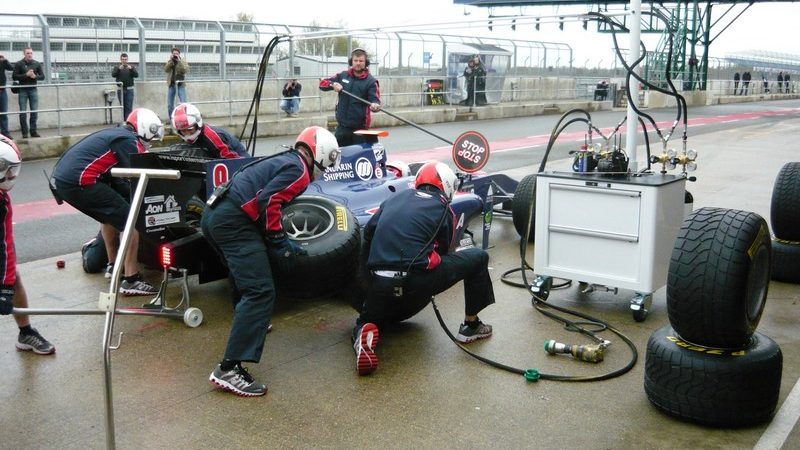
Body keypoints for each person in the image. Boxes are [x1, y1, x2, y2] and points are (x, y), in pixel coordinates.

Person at [202, 126, 341, 397]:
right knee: (260, 290)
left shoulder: (286, 158)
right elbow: (270, 201)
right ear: (323, 152)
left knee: (244, 276)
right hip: (233, 220)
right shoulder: (299, 170)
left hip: (214, 214)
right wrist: (279, 241)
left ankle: (252, 322)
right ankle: (229, 369)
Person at [352, 161, 496, 376]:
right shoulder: (444, 209)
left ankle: (364, 332)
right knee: (478, 257)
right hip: (416, 278)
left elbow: (368, 235)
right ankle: (471, 326)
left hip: (379, 280)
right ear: (446, 185)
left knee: (367, 320)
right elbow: (445, 251)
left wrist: (367, 279)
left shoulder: (393, 199)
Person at [52, 108, 164, 296]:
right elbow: (140, 173)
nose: (150, 141)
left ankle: (114, 266)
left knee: (109, 218)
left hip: (64, 181)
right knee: (130, 224)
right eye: (152, 136)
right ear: (146, 128)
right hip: (81, 181)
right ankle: (131, 279)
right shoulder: (127, 140)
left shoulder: (116, 133)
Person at [0, 136, 55, 354]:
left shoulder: (1, 200)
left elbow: (5, 245)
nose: (12, 175)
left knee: (14, 277)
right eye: (8, 169)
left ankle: (26, 332)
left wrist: (5, 285)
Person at [319, 48, 381, 147]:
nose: (358, 63)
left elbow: (375, 100)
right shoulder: (343, 76)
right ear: (351, 62)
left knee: (359, 159)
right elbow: (322, 84)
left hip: (360, 129)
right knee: (338, 157)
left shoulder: (371, 82)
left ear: (366, 63)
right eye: (355, 60)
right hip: (342, 127)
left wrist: (375, 106)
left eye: (361, 61)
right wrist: (333, 84)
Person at [171, 103, 248, 159]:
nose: (187, 133)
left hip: (241, 162)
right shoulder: (186, 138)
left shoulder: (212, 137)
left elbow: (233, 160)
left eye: (190, 129)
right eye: (183, 131)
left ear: (197, 123)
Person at [12, 47, 44, 139]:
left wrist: (35, 76)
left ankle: (33, 131)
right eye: (28, 53)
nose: (30, 55)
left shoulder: (36, 63)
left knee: (34, 111)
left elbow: (42, 77)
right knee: (23, 112)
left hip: (33, 89)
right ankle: (24, 133)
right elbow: (14, 76)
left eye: (31, 53)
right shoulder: (19, 64)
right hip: (22, 90)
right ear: (24, 54)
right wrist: (26, 75)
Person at [111, 53, 138, 122]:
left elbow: (136, 75)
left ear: (127, 59)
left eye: (125, 59)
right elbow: (113, 75)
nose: (124, 61)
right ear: (120, 60)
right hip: (121, 90)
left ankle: (128, 122)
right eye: (123, 59)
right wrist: (119, 69)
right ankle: (124, 122)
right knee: (122, 107)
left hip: (129, 90)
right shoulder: (117, 67)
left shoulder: (131, 67)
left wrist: (131, 69)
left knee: (129, 107)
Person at [164, 47, 188, 120]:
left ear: (179, 54)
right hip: (171, 84)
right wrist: (171, 61)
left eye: (177, 53)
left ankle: (184, 118)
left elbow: (184, 70)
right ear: (172, 54)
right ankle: (172, 120)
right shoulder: (170, 61)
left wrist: (179, 61)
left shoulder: (183, 61)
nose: (175, 55)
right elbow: (166, 69)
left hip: (180, 85)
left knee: (183, 103)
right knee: (170, 105)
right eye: (174, 53)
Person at [0, 54, 14, 139]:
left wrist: (5, 60)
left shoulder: (2, 62)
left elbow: (11, 68)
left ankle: (5, 132)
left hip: (2, 91)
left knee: (4, 113)